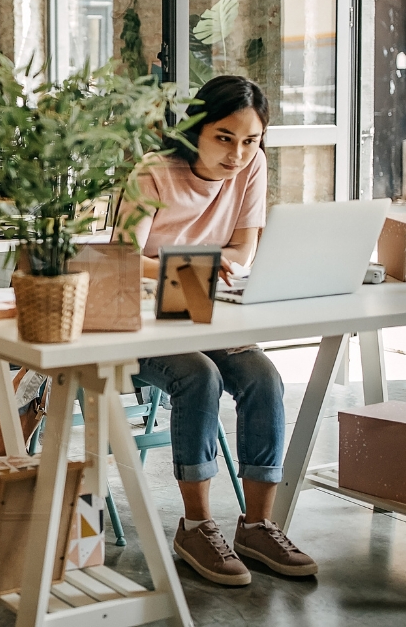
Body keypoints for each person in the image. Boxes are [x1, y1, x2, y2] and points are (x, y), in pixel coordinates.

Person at [115, 75, 317, 587]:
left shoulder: (251, 168)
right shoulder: (154, 173)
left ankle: (257, 525)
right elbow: (120, 258)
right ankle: (196, 525)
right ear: (197, 129)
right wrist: (200, 264)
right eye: (224, 138)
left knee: (263, 377)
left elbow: (243, 253)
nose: (237, 154)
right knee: (198, 376)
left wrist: (184, 264)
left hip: (209, 310)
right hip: (142, 320)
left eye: (251, 141)